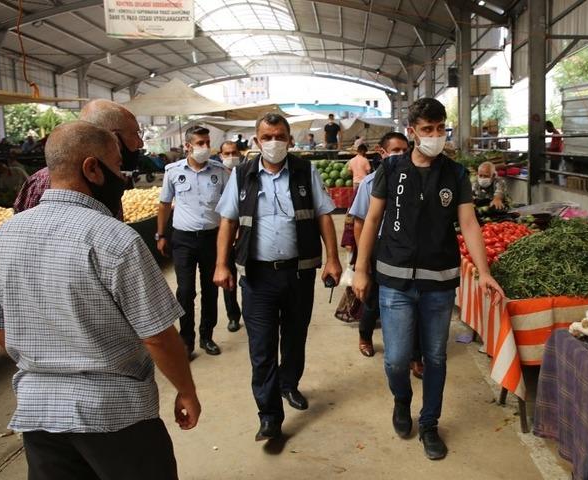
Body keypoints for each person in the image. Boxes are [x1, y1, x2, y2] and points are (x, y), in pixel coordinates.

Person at [0, 121, 200, 479]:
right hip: (116, 415)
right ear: (92, 168)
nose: (123, 176)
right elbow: (157, 336)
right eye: (117, 166)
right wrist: (186, 391)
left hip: (40, 415)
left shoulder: (5, 234)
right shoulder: (116, 239)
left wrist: (44, 361)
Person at [353, 98, 504, 460]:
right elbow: (372, 220)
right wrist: (359, 268)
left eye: (440, 129)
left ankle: (430, 423)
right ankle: (402, 400)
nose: (436, 136)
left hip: (439, 281)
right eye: (427, 130)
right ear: (413, 132)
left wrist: (484, 272)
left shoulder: (455, 174)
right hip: (394, 279)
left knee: (435, 357)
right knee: (396, 359)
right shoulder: (391, 170)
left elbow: (468, 223)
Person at [213, 113, 342, 441]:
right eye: (267, 137)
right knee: (262, 346)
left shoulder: (304, 171)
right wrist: (222, 264)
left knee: (295, 336)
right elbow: (228, 221)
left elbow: (324, 215)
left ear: (290, 139)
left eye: (280, 136)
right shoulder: (242, 175)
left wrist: (333, 259)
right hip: (257, 277)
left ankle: (289, 385)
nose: (274, 143)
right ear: (256, 141)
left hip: (298, 274)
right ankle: (269, 414)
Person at [157, 126, 228, 358]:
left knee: (210, 290)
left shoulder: (220, 170)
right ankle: (186, 340)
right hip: (183, 239)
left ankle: (207, 337)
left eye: (207, 142)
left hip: (212, 238)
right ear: (187, 146)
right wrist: (160, 235)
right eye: (200, 143)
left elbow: (229, 206)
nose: (205, 147)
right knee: (185, 291)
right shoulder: (173, 171)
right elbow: (165, 204)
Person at [13, 99, 143, 217]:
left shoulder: (109, 180)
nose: (140, 143)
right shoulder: (41, 183)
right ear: (113, 137)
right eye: (135, 134)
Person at [349, 131, 408, 358]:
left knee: (408, 298)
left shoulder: (415, 178)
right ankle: (365, 335)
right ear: (382, 153)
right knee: (373, 298)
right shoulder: (369, 183)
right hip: (377, 246)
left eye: (405, 150)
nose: (401, 155)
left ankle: (413, 354)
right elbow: (360, 223)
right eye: (396, 151)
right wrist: (362, 261)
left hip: (404, 248)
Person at [218, 140, 243, 333]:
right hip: (225, 236)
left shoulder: (247, 174)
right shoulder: (216, 175)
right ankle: (233, 315)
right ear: (220, 155)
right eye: (227, 153)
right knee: (229, 278)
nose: (231, 157)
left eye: (234, 152)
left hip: (245, 236)